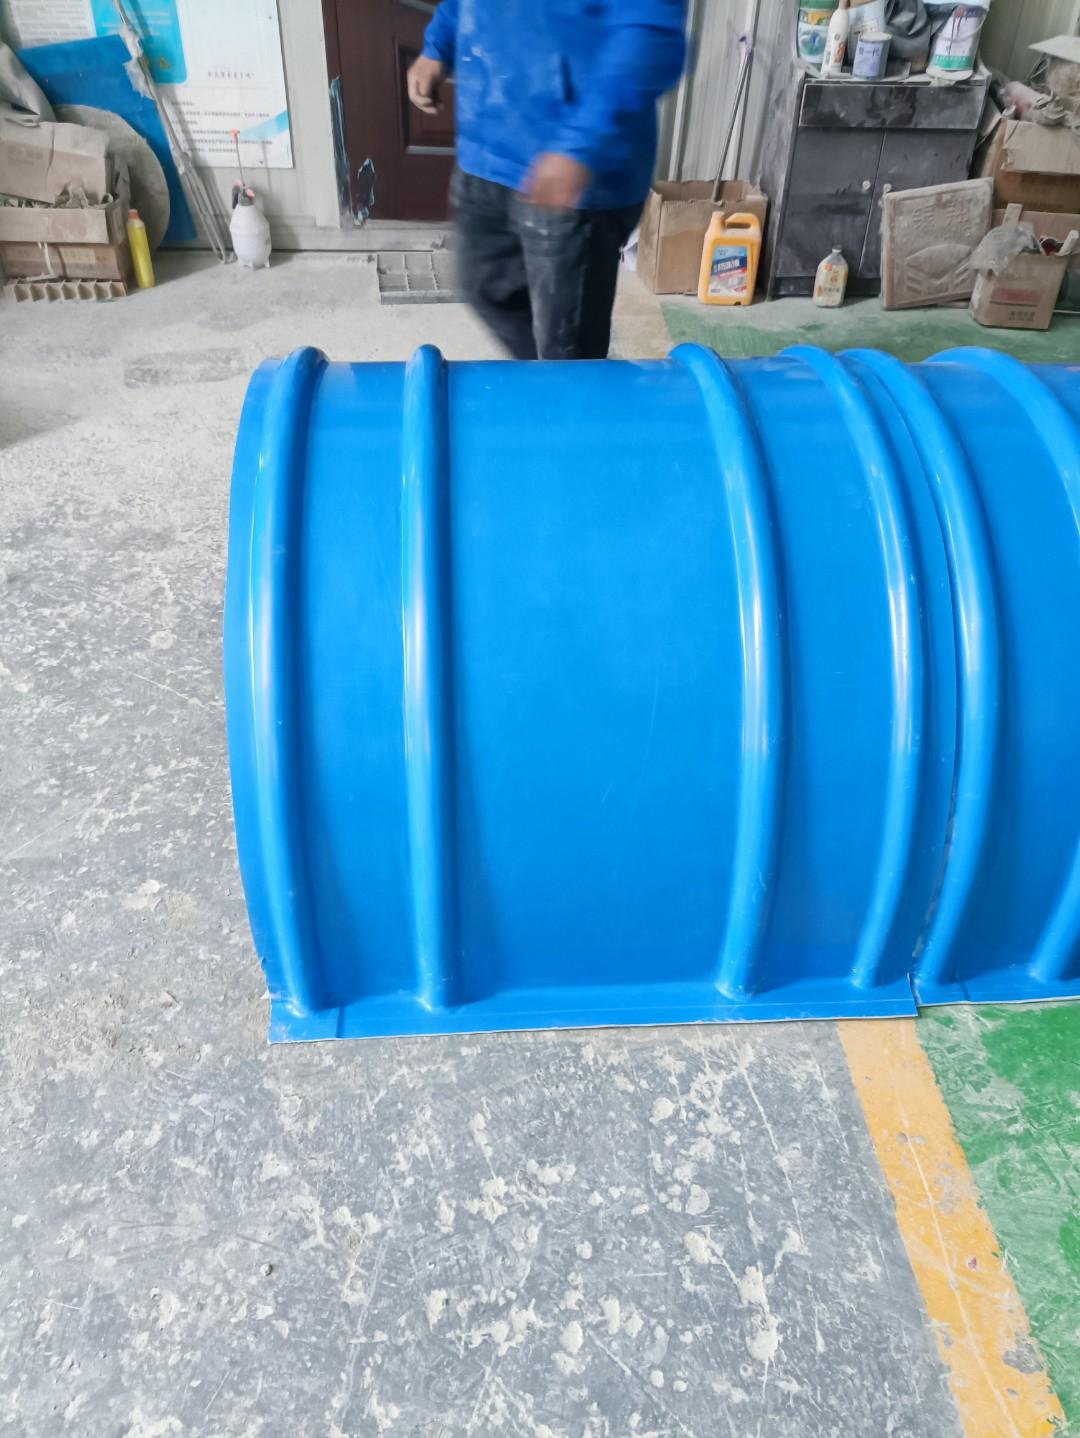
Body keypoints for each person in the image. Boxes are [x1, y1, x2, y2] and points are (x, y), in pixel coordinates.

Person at [407, 0, 686, 361]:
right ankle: (547, 385)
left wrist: (580, 145)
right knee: (485, 291)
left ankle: (568, 390)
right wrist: (438, 44)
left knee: (567, 345)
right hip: (485, 148)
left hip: (574, 176)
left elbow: (651, 36)